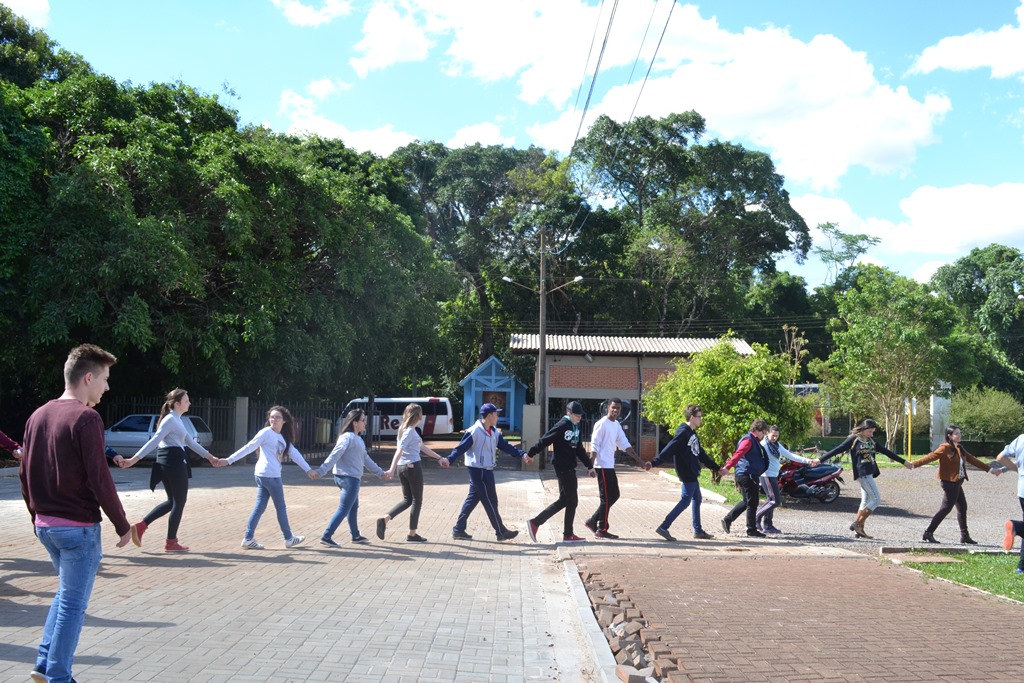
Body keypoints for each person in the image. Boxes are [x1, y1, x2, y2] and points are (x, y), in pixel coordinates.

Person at [19, 344, 131, 683]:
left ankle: (44, 662)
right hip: (78, 529)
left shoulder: (37, 415)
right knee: (73, 605)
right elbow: (99, 477)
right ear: (88, 378)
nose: (107, 387)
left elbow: (25, 472)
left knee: (65, 596)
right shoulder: (86, 418)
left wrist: (36, 517)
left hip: (46, 526)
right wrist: (122, 524)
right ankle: (59, 676)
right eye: (105, 379)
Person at [120, 389, 220, 552]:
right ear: (177, 403)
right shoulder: (171, 420)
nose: (189, 403)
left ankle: (141, 526)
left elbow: (190, 442)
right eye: (186, 400)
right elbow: (155, 440)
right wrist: (134, 459)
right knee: (179, 502)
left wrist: (210, 457)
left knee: (172, 502)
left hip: (170, 462)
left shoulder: (176, 420)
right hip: (173, 463)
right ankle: (171, 542)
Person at [216, 406, 317, 550]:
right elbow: (249, 447)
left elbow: (295, 454)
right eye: (272, 417)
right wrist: (229, 460)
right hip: (270, 476)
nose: (274, 420)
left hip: (265, 475)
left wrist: (308, 469)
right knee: (280, 507)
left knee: (260, 507)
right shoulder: (266, 433)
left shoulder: (283, 437)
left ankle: (248, 538)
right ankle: (288, 538)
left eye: (277, 417)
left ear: (284, 421)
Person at [446, 403, 532, 541]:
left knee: (473, 499)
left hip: (487, 469)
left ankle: (458, 529)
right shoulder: (474, 431)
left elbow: (506, 446)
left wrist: (522, 454)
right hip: (477, 470)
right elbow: (460, 448)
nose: (498, 417)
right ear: (490, 415)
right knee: (490, 500)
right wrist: (449, 459)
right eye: (496, 414)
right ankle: (501, 531)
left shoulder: (494, 432)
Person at [820, 418, 912, 538]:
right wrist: (820, 460)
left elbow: (886, 451)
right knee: (876, 499)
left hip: (869, 472)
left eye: (873, 432)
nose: (871, 434)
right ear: (863, 429)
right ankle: (857, 523)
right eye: (869, 431)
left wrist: (904, 462)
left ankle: (859, 530)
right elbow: (837, 449)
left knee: (865, 500)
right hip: (862, 473)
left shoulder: (871, 440)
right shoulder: (854, 439)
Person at [310, 408, 390, 546]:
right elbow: (334, 455)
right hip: (349, 479)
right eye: (363, 420)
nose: (365, 423)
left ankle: (356, 535)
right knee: (344, 508)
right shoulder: (347, 438)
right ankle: (327, 536)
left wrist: (380, 473)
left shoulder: (357, 439)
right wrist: (321, 471)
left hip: (348, 478)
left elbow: (366, 459)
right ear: (354, 423)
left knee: (352, 507)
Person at [910, 424, 999, 544]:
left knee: (962, 507)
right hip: (950, 484)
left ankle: (964, 536)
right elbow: (931, 457)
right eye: (956, 434)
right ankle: (928, 532)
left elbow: (972, 459)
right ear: (949, 436)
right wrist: (913, 464)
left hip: (957, 483)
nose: (959, 435)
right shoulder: (945, 448)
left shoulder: (959, 447)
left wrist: (990, 469)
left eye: (960, 433)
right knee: (945, 509)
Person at [652, 404, 724, 541]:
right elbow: (670, 448)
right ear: (691, 417)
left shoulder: (692, 433)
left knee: (697, 498)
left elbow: (701, 454)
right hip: (686, 471)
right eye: (699, 417)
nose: (701, 419)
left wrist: (716, 467)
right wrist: (654, 462)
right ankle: (664, 527)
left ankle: (697, 530)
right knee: (685, 501)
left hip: (692, 471)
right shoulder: (683, 432)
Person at [378, 404, 449, 543]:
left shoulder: (404, 429)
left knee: (408, 500)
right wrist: (391, 469)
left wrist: (439, 458)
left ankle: (384, 520)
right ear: (418, 416)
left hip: (403, 467)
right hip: (412, 467)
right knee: (417, 500)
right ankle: (412, 534)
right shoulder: (409, 431)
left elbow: (423, 447)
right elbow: (399, 450)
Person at [526, 401, 594, 543]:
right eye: (577, 415)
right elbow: (545, 440)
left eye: (580, 415)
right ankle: (557, 530)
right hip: (563, 467)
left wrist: (589, 466)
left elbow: (579, 449)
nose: (579, 417)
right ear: (569, 413)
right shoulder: (562, 425)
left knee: (566, 500)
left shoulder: (576, 426)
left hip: (570, 467)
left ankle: (540, 524)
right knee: (572, 500)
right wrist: (531, 453)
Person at [585, 398, 651, 539]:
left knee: (614, 495)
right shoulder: (601, 424)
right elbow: (594, 445)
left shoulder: (616, 426)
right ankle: (601, 529)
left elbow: (625, 445)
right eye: (613, 407)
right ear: (608, 407)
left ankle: (592, 520)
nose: (615, 410)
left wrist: (640, 462)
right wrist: (591, 466)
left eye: (618, 408)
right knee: (606, 498)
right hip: (602, 466)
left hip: (609, 466)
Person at [756, 425, 819, 534]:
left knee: (770, 500)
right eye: (773, 435)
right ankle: (756, 518)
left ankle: (767, 525)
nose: (775, 438)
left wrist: (807, 460)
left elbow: (790, 455)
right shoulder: (763, 445)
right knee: (775, 501)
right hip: (766, 475)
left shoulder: (776, 445)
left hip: (773, 475)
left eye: (777, 436)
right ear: (767, 433)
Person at [721, 419, 771, 537]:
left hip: (747, 474)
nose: (763, 436)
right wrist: (727, 467)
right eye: (763, 432)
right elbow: (738, 454)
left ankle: (728, 519)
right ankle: (751, 530)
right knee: (753, 502)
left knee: (747, 501)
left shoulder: (752, 440)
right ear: (758, 430)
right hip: (748, 475)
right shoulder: (748, 440)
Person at [994, 434, 1024, 574]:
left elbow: (1000, 457)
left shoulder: (1021, 438)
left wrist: (1011, 469)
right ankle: (1016, 526)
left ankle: (1021, 567)